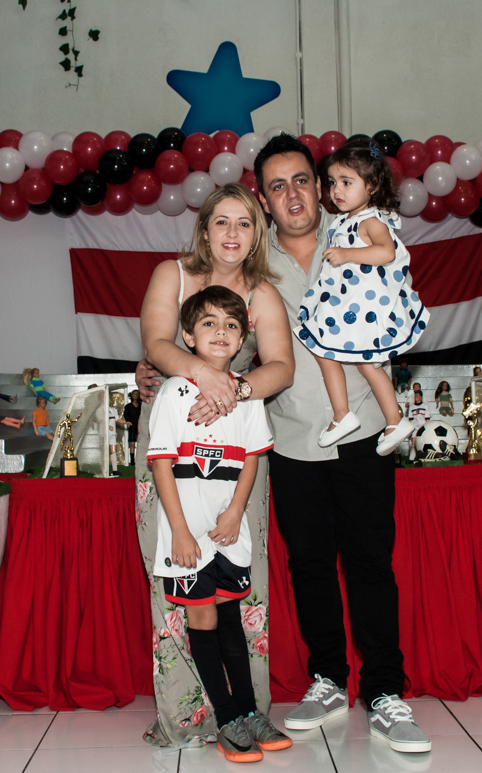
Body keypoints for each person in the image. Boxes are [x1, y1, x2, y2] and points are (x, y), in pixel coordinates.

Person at [255, 134, 430, 751]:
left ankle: (385, 691)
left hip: (363, 432)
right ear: (264, 198)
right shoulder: (251, 260)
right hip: (292, 436)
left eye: (301, 179)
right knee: (308, 566)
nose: (293, 194)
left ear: (321, 182)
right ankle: (327, 679)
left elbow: (395, 294)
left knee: (369, 563)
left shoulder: (359, 228)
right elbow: (217, 330)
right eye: (278, 185)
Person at [135, 182, 295, 749]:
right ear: (204, 228)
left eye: (245, 224)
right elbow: (157, 344)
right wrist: (205, 376)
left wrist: (237, 389)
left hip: (238, 449)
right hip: (172, 444)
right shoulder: (171, 275)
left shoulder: (263, 294)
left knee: (235, 590)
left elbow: (282, 367)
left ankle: (246, 712)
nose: (232, 234)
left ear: (258, 235)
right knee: (179, 575)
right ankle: (190, 717)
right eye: (221, 222)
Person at [298, 138, 428, 455]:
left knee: (351, 360)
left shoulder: (370, 220)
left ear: (371, 185)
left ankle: (381, 419)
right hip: (347, 301)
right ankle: (362, 417)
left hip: (362, 307)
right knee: (331, 354)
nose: (336, 191)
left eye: (346, 182)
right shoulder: (346, 219)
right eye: (332, 183)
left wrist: (347, 253)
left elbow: (386, 251)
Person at [406, 390, 429, 462]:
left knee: (423, 443)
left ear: (421, 396)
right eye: (415, 395)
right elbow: (410, 419)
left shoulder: (425, 406)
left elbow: (427, 418)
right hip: (415, 428)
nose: (416, 397)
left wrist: (427, 428)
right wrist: (410, 431)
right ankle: (411, 458)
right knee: (413, 443)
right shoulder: (412, 406)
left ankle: (423, 457)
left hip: (423, 427)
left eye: (418, 395)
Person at [123, 390, 141, 463]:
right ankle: (132, 459)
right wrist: (127, 422)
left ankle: (139, 458)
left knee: (140, 442)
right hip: (132, 425)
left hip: (140, 425)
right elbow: (126, 415)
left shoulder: (141, 406)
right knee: (132, 442)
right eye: (134, 394)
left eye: (137, 394)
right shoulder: (128, 406)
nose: (136, 395)